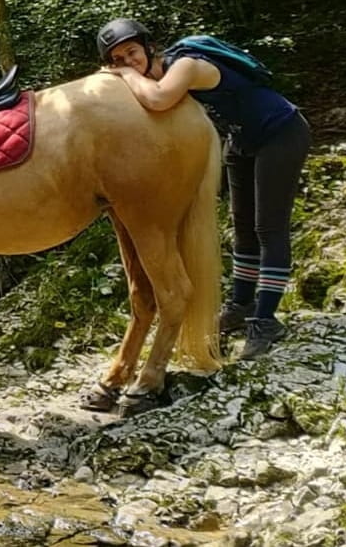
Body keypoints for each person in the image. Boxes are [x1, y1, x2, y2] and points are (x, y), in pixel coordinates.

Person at [97, 19, 311, 359]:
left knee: (268, 228)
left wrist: (124, 75)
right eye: (118, 59)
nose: (128, 62)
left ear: (148, 47)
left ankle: (265, 319)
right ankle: (241, 304)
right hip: (242, 141)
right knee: (242, 228)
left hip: (281, 133)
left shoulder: (187, 65)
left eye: (132, 52)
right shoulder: (155, 74)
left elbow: (159, 99)